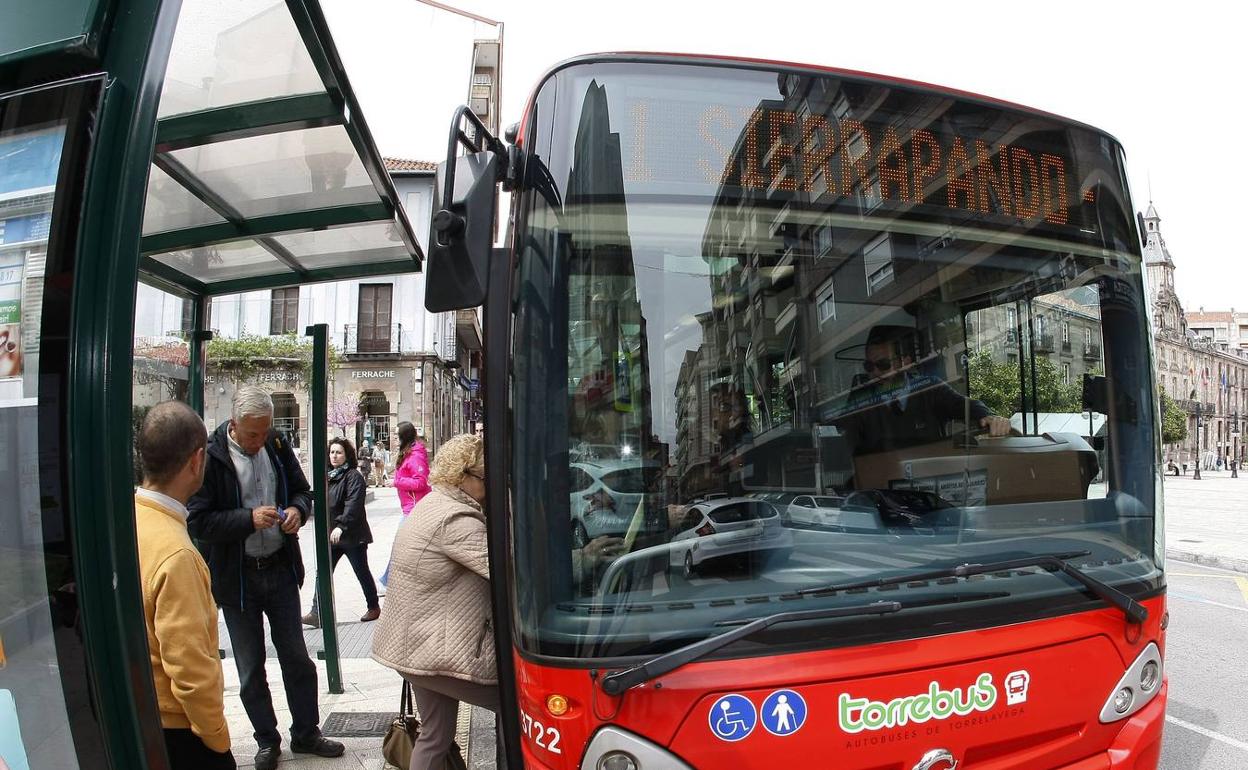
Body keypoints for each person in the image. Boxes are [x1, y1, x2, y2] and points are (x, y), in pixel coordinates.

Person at [188, 386, 344, 770]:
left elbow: (304, 492)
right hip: (237, 578)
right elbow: (199, 521)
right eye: (253, 434)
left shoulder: (275, 444)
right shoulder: (211, 456)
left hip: (278, 568)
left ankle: (307, 732)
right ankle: (266, 740)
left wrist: (296, 510)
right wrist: (247, 519)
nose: (260, 440)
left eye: (266, 431)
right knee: (250, 666)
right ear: (235, 424)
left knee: (296, 657)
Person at [371, 434, 503, 770]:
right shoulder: (454, 519)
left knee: (435, 734)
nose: (490, 488)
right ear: (463, 477)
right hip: (430, 650)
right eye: (485, 479)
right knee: (514, 700)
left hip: (413, 642)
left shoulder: (434, 503)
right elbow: (505, 570)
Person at [134, 401, 235, 769]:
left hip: (142, 715)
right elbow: (191, 668)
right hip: (179, 731)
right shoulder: (177, 555)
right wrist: (216, 738)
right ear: (196, 461)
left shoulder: (130, 518)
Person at [834, 324, 1012, 455]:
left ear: (906, 362)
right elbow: (843, 438)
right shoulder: (860, 398)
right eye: (868, 366)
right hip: (879, 486)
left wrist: (988, 417)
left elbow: (965, 405)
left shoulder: (929, 389)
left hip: (929, 483)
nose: (874, 374)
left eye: (883, 365)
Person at [302, 437, 381, 626]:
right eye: (332, 452)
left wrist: (341, 526)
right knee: (323, 572)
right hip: (333, 535)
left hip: (351, 535)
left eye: (339, 452)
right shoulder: (329, 476)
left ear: (347, 455)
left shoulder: (353, 476)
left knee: (361, 571)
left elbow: (352, 505)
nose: (334, 456)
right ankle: (317, 612)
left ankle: (373, 606)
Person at [392, 421, 430, 517]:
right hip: (410, 507)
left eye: (397, 435)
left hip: (415, 507)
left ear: (405, 436)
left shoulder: (415, 456)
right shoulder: (406, 453)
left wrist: (397, 482)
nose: (394, 438)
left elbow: (421, 482)